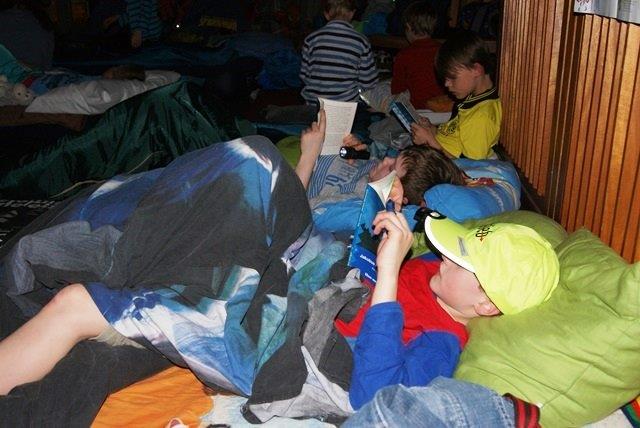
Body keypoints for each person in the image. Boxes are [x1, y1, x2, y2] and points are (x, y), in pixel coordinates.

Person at [341, 211, 559, 409]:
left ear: (486, 304)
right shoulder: (438, 270)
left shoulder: (440, 344)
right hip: (343, 289)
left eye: (461, 260)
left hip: (339, 351)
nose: (445, 256)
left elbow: (372, 398)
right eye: (458, 247)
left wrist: (389, 270)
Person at [410, 30, 502, 160]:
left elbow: (470, 167)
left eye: (452, 78)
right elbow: (454, 137)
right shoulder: (472, 98)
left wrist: (430, 142)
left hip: (442, 164)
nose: (446, 84)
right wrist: (432, 130)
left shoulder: (481, 117)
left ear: (476, 70)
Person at [299, 0, 378, 104]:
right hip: (345, 105)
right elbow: (368, 81)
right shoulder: (361, 41)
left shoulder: (311, 39)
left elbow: (304, 75)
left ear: (326, 14)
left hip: (314, 104)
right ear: (352, 14)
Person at [390, 1, 445, 109]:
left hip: (418, 111)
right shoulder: (444, 50)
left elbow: (396, 91)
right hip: (443, 109)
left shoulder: (404, 55)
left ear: (408, 27)